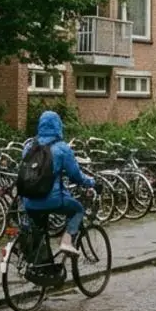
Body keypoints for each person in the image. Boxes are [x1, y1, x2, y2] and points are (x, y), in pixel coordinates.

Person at [17, 110, 96, 257]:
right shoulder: (62, 148)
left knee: (39, 229)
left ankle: (40, 265)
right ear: (58, 126)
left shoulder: (29, 146)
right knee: (77, 210)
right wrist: (91, 182)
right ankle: (66, 241)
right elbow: (76, 176)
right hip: (52, 200)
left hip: (29, 201)